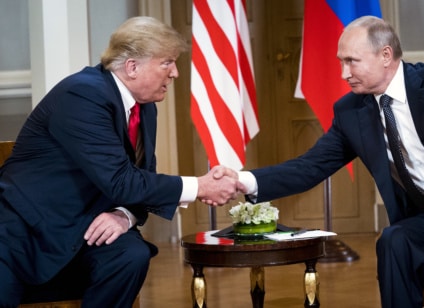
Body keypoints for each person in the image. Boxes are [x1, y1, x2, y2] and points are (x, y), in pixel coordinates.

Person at [224, 16, 424, 308]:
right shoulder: (351, 112)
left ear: (385, 55)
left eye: (352, 61)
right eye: (341, 62)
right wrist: (244, 180)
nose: (344, 73)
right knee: (394, 241)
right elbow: (311, 166)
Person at [0, 16, 242, 307]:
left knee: (130, 255)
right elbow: (120, 180)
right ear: (132, 67)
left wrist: (124, 215)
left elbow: (141, 177)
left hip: (86, 226)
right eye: (167, 62)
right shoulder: (82, 94)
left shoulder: (145, 107)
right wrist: (199, 187)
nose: (175, 73)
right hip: (25, 231)